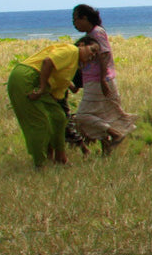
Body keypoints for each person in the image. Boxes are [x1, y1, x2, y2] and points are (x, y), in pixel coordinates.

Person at [7, 39, 99, 167]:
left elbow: (61, 81)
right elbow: (48, 62)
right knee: (39, 123)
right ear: (81, 45)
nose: (92, 55)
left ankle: (60, 157)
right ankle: (40, 164)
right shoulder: (72, 50)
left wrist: (72, 86)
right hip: (26, 77)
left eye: (95, 55)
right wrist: (42, 88)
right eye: (92, 50)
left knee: (59, 117)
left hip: (35, 80)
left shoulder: (73, 64)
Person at [70, 4, 136, 155]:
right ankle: (106, 152)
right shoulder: (91, 34)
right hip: (93, 81)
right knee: (100, 116)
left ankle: (116, 134)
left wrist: (102, 81)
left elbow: (104, 55)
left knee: (82, 116)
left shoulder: (97, 32)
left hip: (98, 81)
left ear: (84, 18)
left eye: (76, 19)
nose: (74, 24)